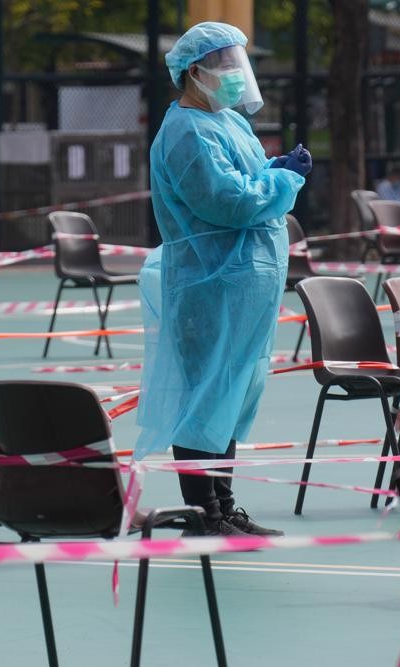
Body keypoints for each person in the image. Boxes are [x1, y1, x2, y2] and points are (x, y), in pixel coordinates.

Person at [136, 22, 310, 537]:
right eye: (227, 63)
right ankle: (203, 513)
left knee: (230, 399)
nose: (238, 73)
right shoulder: (186, 131)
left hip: (242, 284)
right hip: (211, 285)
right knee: (205, 399)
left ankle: (224, 506)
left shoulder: (226, 122)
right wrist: (283, 179)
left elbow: (246, 180)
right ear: (196, 70)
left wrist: (272, 169)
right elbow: (228, 202)